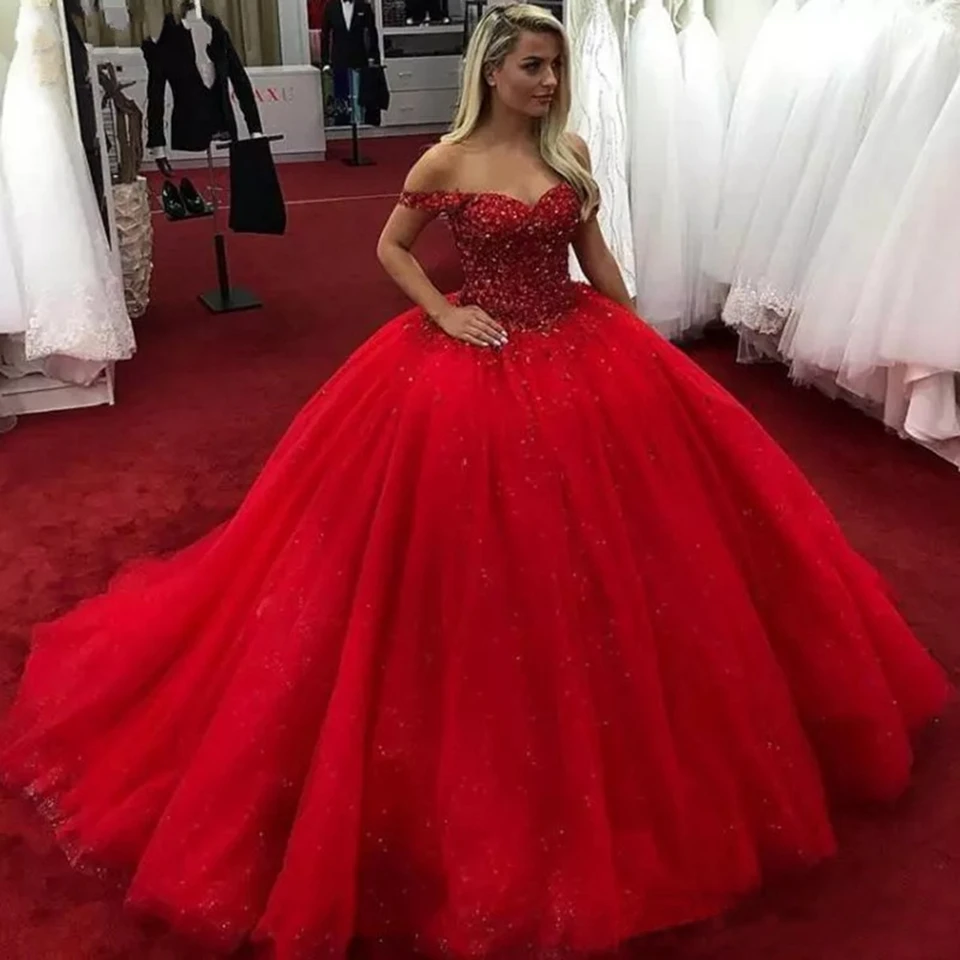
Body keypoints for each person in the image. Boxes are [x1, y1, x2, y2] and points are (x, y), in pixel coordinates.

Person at [0, 5, 949, 960]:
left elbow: (597, 260)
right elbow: (391, 247)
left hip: (581, 347)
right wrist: (442, 313)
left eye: (555, 67)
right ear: (492, 70)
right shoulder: (446, 160)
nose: (549, 83)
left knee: (636, 549)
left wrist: (643, 346)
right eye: (533, 66)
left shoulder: (569, 152)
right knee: (455, 561)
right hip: (473, 357)